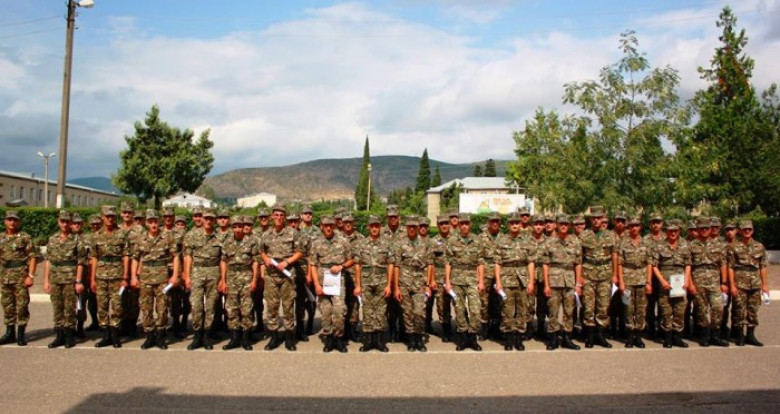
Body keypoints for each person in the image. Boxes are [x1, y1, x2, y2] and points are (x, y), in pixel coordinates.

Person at [131, 209, 180, 350]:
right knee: (146, 308)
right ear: (146, 223)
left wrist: (174, 275)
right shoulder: (140, 238)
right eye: (150, 222)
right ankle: (149, 336)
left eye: (155, 222)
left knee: (162, 308)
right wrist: (133, 276)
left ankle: (160, 336)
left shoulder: (166, 237)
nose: (153, 225)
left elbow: (176, 256)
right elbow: (135, 258)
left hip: (162, 277)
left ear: (159, 222)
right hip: (145, 277)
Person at [260, 204, 303, 351]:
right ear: (272, 216)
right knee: (272, 306)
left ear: (284, 217)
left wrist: (287, 262)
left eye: (281, 215)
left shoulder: (292, 233)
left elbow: (299, 252)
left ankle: (289, 337)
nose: (279, 218)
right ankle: (274, 336)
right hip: (271, 275)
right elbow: (261, 251)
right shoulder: (265, 234)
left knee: (288, 305)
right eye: (276, 215)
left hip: (287, 274)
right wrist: (266, 258)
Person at [310, 216, 354, 352]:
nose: (328, 228)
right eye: (325, 225)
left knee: (339, 310)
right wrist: (317, 285)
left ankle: (338, 338)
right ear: (321, 226)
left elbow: (351, 259)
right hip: (323, 280)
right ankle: (328, 338)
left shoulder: (343, 241)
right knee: (326, 311)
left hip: (338, 280)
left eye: (330, 225)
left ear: (334, 226)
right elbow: (313, 265)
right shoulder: (316, 243)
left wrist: (341, 266)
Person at [493, 212, 536, 351]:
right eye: (512, 223)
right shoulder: (501, 241)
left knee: (522, 309)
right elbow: (497, 263)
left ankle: (519, 338)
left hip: (522, 279)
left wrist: (531, 282)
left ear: (520, 224)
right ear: (508, 225)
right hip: (506, 279)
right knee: (507, 310)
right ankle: (509, 338)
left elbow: (530, 262)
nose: (515, 225)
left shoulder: (527, 240)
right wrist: (498, 282)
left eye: (517, 223)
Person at [444, 214, 486, 351]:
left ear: (470, 225)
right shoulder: (452, 240)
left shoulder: (477, 240)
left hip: (473, 278)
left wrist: (481, 281)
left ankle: (472, 336)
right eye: (462, 224)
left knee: (475, 309)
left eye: (466, 224)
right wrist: (448, 282)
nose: (464, 226)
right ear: (458, 225)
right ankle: (463, 337)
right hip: (456, 279)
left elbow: (480, 262)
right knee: (459, 309)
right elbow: (448, 263)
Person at [182, 208, 223, 350]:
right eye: (206, 218)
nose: (208, 221)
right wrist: (187, 276)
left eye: (211, 219)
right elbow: (188, 256)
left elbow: (223, 259)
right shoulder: (192, 235)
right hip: (197, 272)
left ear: (214, 220)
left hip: (213, 272)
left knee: (211, 306)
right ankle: (197, 334)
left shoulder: (220, 237)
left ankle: (206, 335)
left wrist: (222, 279)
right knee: (196, 305)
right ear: (203, 219)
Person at [90, 205, 130, 348]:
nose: (110, 219)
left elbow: (126, 256)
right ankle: (106, 335)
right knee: (102, 306)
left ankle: (115, 334)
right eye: (107, 216)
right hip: (101, 276)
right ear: (102, 217)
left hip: (117, 275)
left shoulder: (122, 234)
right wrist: (92, 278)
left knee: (117, 305)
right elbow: (94, 257)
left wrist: (125, 277)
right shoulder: (96, 235)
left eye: (112, 216)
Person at [43, 210, 85, 348]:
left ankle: (69, 335)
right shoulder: (52, 239)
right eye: (62, 221)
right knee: (57, 307)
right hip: (55, 279)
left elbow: (81, 262)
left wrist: (78, 281)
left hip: (70, 279)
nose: (65, 224)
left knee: (70, 308)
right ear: (58, 222)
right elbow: (48, 261)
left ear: (71, 223)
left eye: (67, 222)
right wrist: (46, 281)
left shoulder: (77, 240)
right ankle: (59, 335)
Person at [578, 206, 618, 348]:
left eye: (599, 218)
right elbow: (580, 257)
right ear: (590, 219)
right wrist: (580, 277)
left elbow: (614, 255)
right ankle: (590, 336)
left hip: (605, 274)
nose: (596, 220)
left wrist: (615, 274)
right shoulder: (584, 235)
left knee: (603, 306)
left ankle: (600, 335)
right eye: (594, 218)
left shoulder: (611, 235)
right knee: (588, 306)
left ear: (603, 219)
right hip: (588, 274)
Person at [352, 215, 394, 352]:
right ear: (368, 227)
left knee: (381, 311)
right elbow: (357, 265)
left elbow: (391, 264)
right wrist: (358, 285)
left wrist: (389, 285)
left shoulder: (387, 244)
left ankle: (380, 341)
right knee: (367, 310)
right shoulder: (361, 244)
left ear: (380, 227)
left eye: (377, 226)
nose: (374, 228)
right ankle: (369, 340)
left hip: (382, 281)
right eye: (372, 226)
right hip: (366, 281)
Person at [219, 216, 260, 351]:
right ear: (232, 228)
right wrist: (223, 280)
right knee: (231, 308)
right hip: (231, 277)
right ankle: (234, 338)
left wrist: (254, 279)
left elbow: (255, 261)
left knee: (247, 308)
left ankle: (246, 338)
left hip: (246, 276)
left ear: (243, 227)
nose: (237, 229)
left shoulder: (252, 241)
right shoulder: (227, 242)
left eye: (240, 226)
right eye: (235, 227)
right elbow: (223, 261)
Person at [393, 216, 434, 352]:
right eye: (409, 226)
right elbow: (397, 266)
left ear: (417, 228)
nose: (411, 229)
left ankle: (419, 337)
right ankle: (411, 340)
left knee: (419, 312)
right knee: (407, 312)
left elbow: (430, 264)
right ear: (406, 228)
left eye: (414, 227)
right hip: (404, 282)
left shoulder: (425, 244)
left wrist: (428, 285)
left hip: (419, 282)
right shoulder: (400, 244)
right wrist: (396, 287)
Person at [542, 215, 582, 351]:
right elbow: (545, 264)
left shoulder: (575, 242)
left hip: (570, 281)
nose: (563, 226)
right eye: (561, 224)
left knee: (569, 311)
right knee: (553, 310)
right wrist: (546, 284)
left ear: (569, 226)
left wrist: (578, 284)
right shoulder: (549, 242)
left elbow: (578, 264)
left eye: (566, 224)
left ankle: (567, 338)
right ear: (557, 226)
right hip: (554, 281)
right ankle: (553, 338)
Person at [651, 219, 693, 348]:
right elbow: (654, 266)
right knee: (666, 310)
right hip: (666, 282)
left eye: (675, 231)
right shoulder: (659, 246)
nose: (673, 233)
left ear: (679, 231)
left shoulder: (685, 245)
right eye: (670, 231)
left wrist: (687, 280)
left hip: (680, 282)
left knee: (680, 310)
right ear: (666, 231)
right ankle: (667, 337)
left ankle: (677, 337)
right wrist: (662, 281)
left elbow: (688, 264)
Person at [727, 220, 768, 346]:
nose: (747, 231)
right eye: (744, 229)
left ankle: (750, 335)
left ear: (752, 231)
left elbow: (763, 266)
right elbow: (730, 267)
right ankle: (740, 336)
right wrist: (732, 285)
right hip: (740, 283)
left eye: (749, 229)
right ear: (740, 231)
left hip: (755, 283)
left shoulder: (759, 247)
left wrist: (765, 285)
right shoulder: (734, 247)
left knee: (753, 310)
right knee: (739, 309)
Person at [617, 216, 653, 348]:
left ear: (640, 227)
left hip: (642, 280)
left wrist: (648, 282)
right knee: (628, 308)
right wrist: (621, 282)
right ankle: (630, 335)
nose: (634, 228)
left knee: (641, 308)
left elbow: (649, 264)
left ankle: (638, 336)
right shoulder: (623, 243)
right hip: (628, 280)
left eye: (636, 226)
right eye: (631, 226)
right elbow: (620, 264)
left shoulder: (646, 243)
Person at [476, 212, 502, 341]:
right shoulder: (481, 238)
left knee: (498, 301)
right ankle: (484, 328)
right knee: (484, 301)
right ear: (488, 223)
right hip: (485, 272)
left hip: (500, 273)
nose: (495, 223)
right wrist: (479, 277)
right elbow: (478, 258)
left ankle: (496, 328)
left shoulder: (504, 238)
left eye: (497, 221)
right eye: (492, 221)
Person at [429, 215, 453, 342]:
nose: (444, 226)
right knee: (442, 304)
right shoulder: (433, 241)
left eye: (446, 223)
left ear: (449, 224)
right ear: (438, 225)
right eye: (441, 224)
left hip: (456, 276)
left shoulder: (456, 239)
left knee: (459, 304)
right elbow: (431, 262)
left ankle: (463, 329)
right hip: (439, 276)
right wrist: (432, 279)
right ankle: (446, 329)